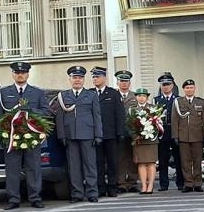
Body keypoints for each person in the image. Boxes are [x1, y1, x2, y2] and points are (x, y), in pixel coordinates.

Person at [0, 62, 48, 210]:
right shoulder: (4, 92)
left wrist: (31, 110)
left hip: (31, 136)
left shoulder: (37, 93)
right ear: (13, 74)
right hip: (11, 136)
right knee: (12, 169)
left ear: (28, 74)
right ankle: (13, 199)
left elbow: (47, 112)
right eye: (17, 72)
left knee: (34, 168)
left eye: (23, 72)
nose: (20, 75)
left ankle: (35, 198)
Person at [53, 65, 103, 203]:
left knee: (90, 166)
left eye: (80, 78)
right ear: (70, 79)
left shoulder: (91, 95)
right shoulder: (63, 96)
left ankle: (92, 193)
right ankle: (77, 194)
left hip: (88, 134)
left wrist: (98, 135)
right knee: (74, 167)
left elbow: (97, 116)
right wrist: (62, 135)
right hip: (70, 136)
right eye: (74, 77)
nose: (77, 80)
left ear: (83, 79)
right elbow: (60, 118)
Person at [90, 67, 126, 197]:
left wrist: (120, 132)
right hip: (95, 135)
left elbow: (120, 114)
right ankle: (100, 187)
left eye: (97, 77)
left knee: (112, 162)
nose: (95, 79)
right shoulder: (89, 93)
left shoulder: (113, 94)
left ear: (104, 78)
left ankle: (112, 187)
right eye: (93, 77)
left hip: (111, 134)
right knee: (98, 163)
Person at [173, 79, 204, 193]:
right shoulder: (178, 102)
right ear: (184, 89)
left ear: (194, 89)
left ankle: (198, 183)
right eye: (187, 88)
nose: (189, 90)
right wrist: (175, 136)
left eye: (191, 87)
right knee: (185, 162)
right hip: (183, 136)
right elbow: (175, 120)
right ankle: (188, 183)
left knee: (197, 161)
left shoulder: (201, 102)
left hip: (197, 136)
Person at [127, 89, 161, 194]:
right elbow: (128, 124)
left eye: (143, 96)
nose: (141, 98)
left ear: (147, 97)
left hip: (151, 140)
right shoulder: (132, 109)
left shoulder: (153, 108)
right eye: (139, 96)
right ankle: (143, 185)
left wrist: (152, 130)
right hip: (138, 140)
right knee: (141, 163)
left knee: (151, 163)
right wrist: (135, 135)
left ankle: (150, 185)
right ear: (136, 97)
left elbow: (159, 124)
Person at [154, 73, 184, 190]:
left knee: (178, 158)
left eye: (168, 84)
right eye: (163, 85)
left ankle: (180, 183)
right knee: (163, 159)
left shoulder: (178, 99)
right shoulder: (156, 100)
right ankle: (163, 184)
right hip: (162, 132)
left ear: (172, 86)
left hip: (175, 131)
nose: (165, 87)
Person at [115, 71, 139, 193]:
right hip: (118, 132)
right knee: (120, 158)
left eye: (126, 81)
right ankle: (121, 183)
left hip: (132, 132)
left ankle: (132, 182)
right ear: (117, 82)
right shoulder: (114, 95)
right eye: (121, 81)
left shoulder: (135, 96)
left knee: (132, 157)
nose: (124, 83)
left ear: (129, 83)